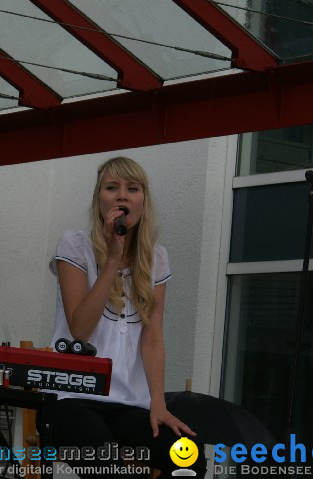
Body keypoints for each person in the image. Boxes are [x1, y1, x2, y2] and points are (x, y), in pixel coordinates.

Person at [47, 156, 206, 477]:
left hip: (130, 404)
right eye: (111, 187)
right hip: (73, 397)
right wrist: (112, 260)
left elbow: (153, 338)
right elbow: (79, 329)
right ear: (99, 200)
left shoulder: (156, 258)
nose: (122, 196)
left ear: (143, 201)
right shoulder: (75, 245)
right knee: (109, 469)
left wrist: (158, 404)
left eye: (132, 188)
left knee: (191, 460)